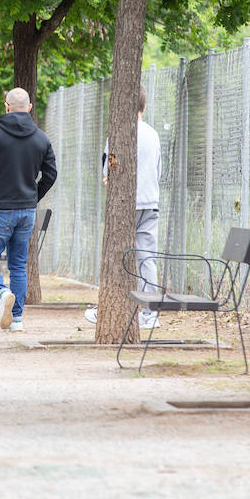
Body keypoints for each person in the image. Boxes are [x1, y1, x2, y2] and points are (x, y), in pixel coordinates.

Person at [0, 86, 57, 333]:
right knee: (18, 264)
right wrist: (34, 195)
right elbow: (51, 174)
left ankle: (1, 293)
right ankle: (17, 319)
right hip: (26, 210)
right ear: (29, 107)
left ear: (7, 107)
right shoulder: (41, 138)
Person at [86, 85, 162, 329]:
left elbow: (107, 172)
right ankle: (151, 314)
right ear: (144, 106)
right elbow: (159, 170)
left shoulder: (118, 134)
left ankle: (111, 307)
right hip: (150, 202)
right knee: (146, 257)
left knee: (117, 255)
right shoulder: (153, 134)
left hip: (125, 204)